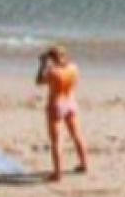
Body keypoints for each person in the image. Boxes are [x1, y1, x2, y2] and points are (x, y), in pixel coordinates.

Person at [37, 45, 88, 180]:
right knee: (76, 135)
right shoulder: (74, 68)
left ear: (52, 58)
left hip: (56, 103)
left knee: (56, 140)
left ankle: (57, 173)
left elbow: (39, 81)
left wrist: (42, 65)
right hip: (70, 101)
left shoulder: (53, 72)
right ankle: (84, 163)